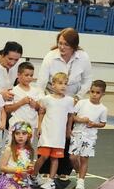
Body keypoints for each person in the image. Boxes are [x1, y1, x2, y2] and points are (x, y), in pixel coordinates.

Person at [35, 28, 93, 180]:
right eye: (60, 43)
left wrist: (78, 97)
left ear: (74, 45)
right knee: (50, 134)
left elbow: (87, 80)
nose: (62, 47)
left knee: (67, 134)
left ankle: (64, 171)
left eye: (66, 44)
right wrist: (43, 101)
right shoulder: (50, 56)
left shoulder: (83, 57)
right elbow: (41, 82)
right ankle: (44, 170)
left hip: (72, 100)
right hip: (52, 100)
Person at [35, 72, 76, 189]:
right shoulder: (46, 99)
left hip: (59, 136)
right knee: (43, 156)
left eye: (65, 84)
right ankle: (33, 175)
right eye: (60, 83)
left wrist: (68, 130)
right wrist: (39, 127)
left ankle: (51, 180)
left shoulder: (69, 100)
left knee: (55, 158)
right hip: (47, 134)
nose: (63, 86)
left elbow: (70, 116)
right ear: (53, 85)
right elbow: (41, 112)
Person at [0, 123, 44, 189]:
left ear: (29, 135)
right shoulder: (9, 149)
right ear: (13, 135)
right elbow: (2, 168)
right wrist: (17, 170)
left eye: (24, 133)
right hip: (9, 179)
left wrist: (30, 170)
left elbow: (28, 168)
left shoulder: (30, 151)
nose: (20, 136)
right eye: (17, 133)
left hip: (22, 180)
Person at [68, 80, 108, 189]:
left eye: (98, 93)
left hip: (90, 136)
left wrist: (94, 124)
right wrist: (81, 120)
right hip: (77, 133)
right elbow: (73, 116)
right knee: (72, 157)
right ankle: (77, 171)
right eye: (92, 91)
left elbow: (103, 123)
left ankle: (81, 180)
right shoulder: (82, 103)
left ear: (103, 94)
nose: (94, 95)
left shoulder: (103, 109)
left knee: (84, 158)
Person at [5, 62, 41, 131]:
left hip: (31, 126)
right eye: (26, 75)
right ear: (19, 75)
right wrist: (21, 102)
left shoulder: (36, 91)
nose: (29, 78)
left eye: (31, 75)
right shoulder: (12, 91)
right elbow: (7, 109)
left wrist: (35, 105)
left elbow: (39, 108)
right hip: (16, 125)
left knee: (29, 142)